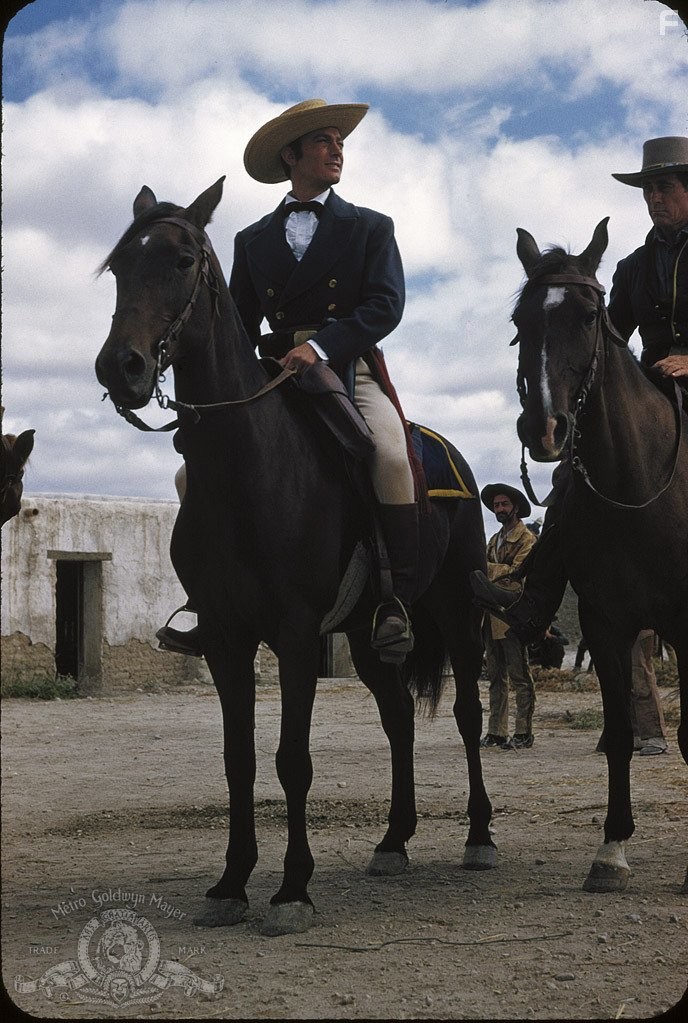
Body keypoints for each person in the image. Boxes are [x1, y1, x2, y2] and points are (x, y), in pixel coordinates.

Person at [157, 99, 418, 662]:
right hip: (272, 374)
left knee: (392, 458)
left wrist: (321, 346)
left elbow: (386, 305)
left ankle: (392, 601)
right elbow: (239, 323)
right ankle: (210, 600)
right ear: (291, 155)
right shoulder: (252, 239)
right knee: (188, 477)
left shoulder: (371, 226)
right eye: (324, 141)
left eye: (339, 141)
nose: (337, 149)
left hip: (349, 368)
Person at [470, 136, 688, 642]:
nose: (655, 198)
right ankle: (534, 603)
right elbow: (606, 343)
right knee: (573, 477)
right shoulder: (631, 267)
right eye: (648, 189)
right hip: (653, 393)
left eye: (665, 186)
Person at [478, 484, 537, 751]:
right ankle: (496, 732)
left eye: (503, 504)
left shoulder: (527, 539)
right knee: (495, 677)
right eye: (496, 505)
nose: (499, 509)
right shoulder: (494, 539)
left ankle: (524, 731)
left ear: (515, 506)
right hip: (490, 616)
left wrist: (484, 568)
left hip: (513, 616)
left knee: (520, 675)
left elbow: (517, 575)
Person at [596, 630, 669, 756]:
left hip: (638, 627)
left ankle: (655, 735)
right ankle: (637, 734)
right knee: (627, 677)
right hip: (623, 629)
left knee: (640, 675)